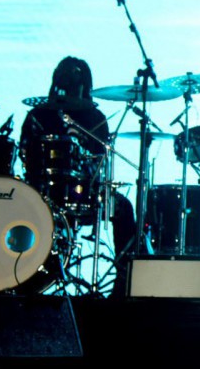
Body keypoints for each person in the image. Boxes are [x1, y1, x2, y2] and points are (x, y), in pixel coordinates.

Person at [20, 57, 139, 296]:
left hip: (84, 192)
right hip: (42, 191)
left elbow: (99, 162)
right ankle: (23, 278)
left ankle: (123, 284)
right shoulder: (38, 115)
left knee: (122, 207)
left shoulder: (94, 119)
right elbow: (27, 155)